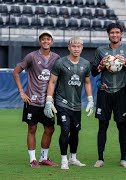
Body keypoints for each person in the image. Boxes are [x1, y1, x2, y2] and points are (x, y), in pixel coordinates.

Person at [90, 23, 126, 168]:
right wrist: (101, 66)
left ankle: (123, 158)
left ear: (121, 34)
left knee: (122, 126)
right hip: (105, 92)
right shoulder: (101, 50)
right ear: (108, 35)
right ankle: (100, 158)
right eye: (112, 33)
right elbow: (94, 72)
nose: (115, 35)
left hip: (122, 92)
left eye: (117, 32)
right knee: (102, 125)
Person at [44, 37, 94, 170]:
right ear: (69, 47)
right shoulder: (60, 63)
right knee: (65, 129)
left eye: (79, 46)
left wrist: (90, 100)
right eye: (74, 46)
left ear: (82, 48)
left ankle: (73, 158)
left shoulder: (86, 64)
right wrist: (49, 99)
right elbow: (52, 82)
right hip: (62, 103)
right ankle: (64, 159)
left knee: (75, 131)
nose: (76, 49)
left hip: (76, 105)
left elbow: (87, 82)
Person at [12, 30, 60, 168]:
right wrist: (21, 92)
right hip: (32, 100)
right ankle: (33, 160)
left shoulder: (56, 57)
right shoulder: (31, 56)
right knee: (32, 128)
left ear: (52, 41)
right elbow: (16, 72)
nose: (46, 41)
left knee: (49, 129)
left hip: (48, 101)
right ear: (40, 41)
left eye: (48, 39)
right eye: (43, 39)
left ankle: (44, 158)